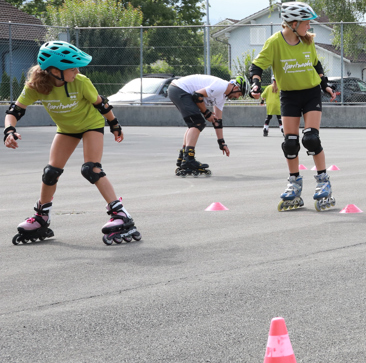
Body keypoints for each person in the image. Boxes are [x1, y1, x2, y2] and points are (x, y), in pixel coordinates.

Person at [4, 41, 139, 246]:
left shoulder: (81, 82)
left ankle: (121, 215)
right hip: (66, 129)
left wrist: (114, 124)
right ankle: (42, 217)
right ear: (54, 71)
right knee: (51, 172)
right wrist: (9, 131)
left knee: (91, 169)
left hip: (91, 124)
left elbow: (100, 103)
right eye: (73, 68)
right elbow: (14, 111)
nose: (77, 71)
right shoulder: (36, 87)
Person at [248, 1, 338, 211]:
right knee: (290, 143)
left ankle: (323, 180)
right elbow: (257, 65)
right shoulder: (274, 43)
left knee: (311, 138)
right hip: (288, 96)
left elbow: (316, 64)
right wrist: (255, 84)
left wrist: (326, 86)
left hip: (310, 93)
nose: (309, 26)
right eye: (307, 22)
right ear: (293, 23)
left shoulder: (308, 42)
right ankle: (294, 184)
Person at [168, 73, 247, 177]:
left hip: (177, 89)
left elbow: (218, 121)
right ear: (236, 87)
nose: (237, 97)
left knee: (194, 124)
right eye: (239, 94)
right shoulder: (221, 86)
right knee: (197, 123)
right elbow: (197, 95)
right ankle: (188, 159)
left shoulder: (222, 97)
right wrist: (206, 113)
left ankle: (183, 156)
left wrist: (221, 142)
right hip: (179, 89)